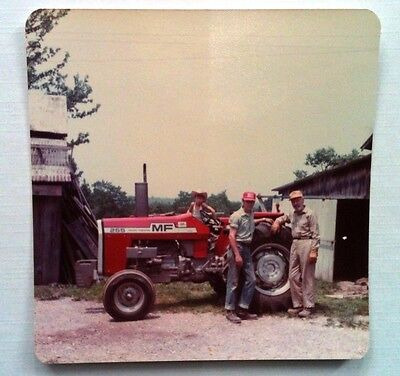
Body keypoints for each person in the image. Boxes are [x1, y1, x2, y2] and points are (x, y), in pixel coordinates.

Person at [271, 190, 320, 318]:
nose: (296, 203)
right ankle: (298, 305)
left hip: (307, 243)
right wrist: (277, 222)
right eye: (293, 201)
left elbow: (316, 235)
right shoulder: (292, 213)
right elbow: (284, 217)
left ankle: (308, 306)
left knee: (306, 276)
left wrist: (314, 251)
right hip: (295, 243)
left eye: (298, 200)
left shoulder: (310, 214)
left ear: (302, 200)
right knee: (293, 276)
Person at [225, 191, 271, 324]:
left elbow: (250, 222)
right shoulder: (236, 216)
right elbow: (231, 236)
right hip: (237, 248)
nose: (250, 203)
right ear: (243, 201)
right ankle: (230, 310)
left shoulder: (250, 214)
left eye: (252, 201)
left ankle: (242, 309)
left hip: (246, 248)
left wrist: (262, 219)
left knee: (251, 279)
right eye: (247, 201)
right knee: (233, 281)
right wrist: (237, 255)